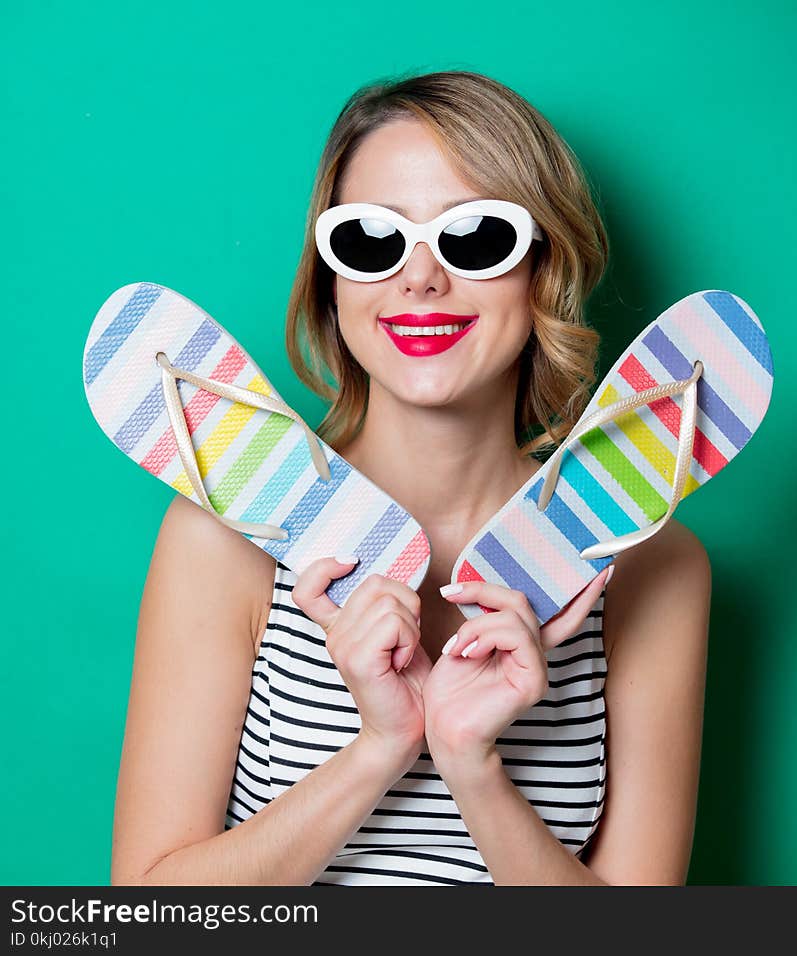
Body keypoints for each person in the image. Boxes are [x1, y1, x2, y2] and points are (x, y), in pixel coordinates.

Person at [109, 70, 711, 886]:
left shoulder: (650, 565)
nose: (419, 277)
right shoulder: (222, 541)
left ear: (543, 263)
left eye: (475, 238)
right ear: (331, 280)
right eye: (369, 240)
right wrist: (380, 747)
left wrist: (470, 761)